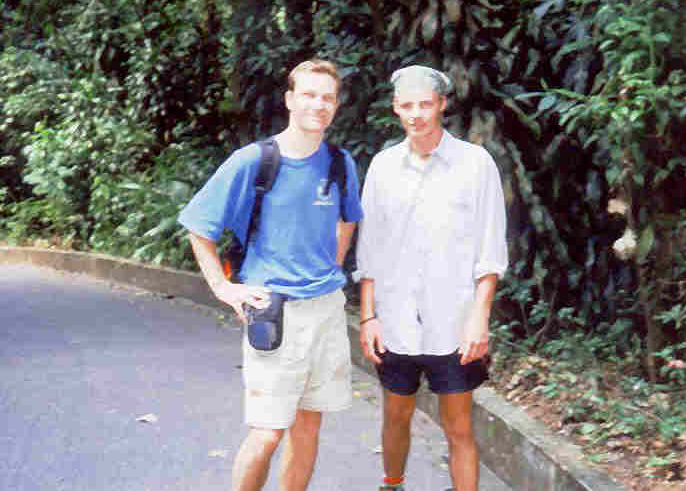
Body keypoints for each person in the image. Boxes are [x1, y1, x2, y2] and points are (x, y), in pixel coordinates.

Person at [178, 59, 363, 491]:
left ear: (336, 105)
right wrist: (224, 288)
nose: (318, 104)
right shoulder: (254, 161)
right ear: (290, 100)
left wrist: (330, 267)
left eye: (328, 97)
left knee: (307, 429)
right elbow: (198, 227)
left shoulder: (340, 163)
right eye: (309, 95)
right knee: (267, 433)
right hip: (274, 314)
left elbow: (348, 219)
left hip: (327, 310)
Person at [356, 65, 508, 491]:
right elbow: (370, 250)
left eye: (425, 104)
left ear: (442, 105)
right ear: (395, 109)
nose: (416, 114)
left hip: (454, 322)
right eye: (407, 106)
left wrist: (479, 318)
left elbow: (490, 251)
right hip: (396, 320)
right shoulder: (384, 167)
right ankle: (393, 483)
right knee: (396, 414)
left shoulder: (475, 164)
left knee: (458, 425)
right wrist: (369, 317)